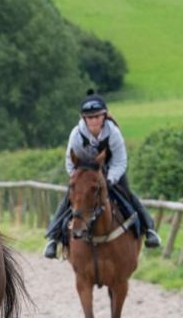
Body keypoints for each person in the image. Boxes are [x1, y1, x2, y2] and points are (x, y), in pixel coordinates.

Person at [43, 90, 161, 259]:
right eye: (90, 118)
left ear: (104, 116)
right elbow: (70, 162)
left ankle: (149, 229)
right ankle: (53, 238)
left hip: (112, 172)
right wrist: (79, 180)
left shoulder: (113, 133)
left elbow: (120, 161)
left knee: (127, 194)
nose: (94, 121)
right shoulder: (76, 134)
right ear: (84, 118)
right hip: (84, 173)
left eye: (97, 117)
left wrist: (109, 179)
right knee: (69, 198)